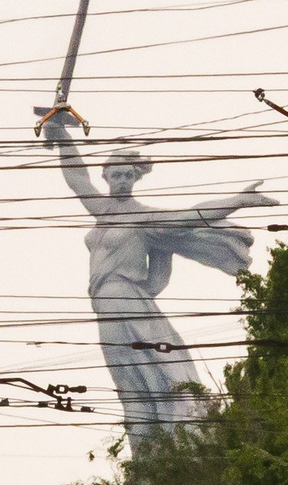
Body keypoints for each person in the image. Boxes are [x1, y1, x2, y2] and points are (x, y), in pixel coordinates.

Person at [42, 108, 273, 448]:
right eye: (116, 175)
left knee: (158, 369)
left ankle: (182, 435)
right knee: (127, 381)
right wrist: (62, 136)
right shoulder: (102, 211)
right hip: (105, 306)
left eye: (127, 176)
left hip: (129, 300)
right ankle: (147, 449)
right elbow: (76, 178)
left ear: (135, 179)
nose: (121, 181)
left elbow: (191, 217)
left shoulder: (145, 217)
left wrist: (238, 200)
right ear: (106, 177)